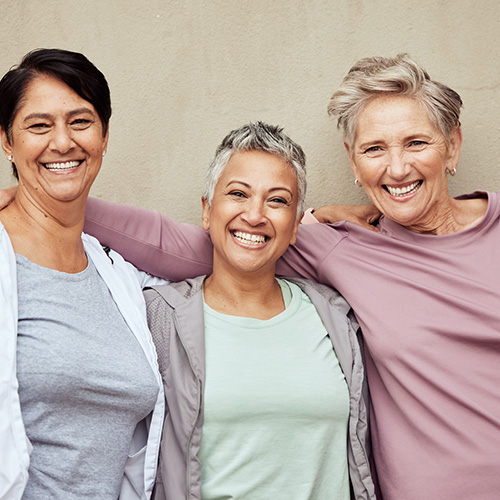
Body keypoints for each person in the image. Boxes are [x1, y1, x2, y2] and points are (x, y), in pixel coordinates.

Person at [80, 53, 500, 500]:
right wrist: (50, 203)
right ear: (354, 164)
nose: (396, 168)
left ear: (452, 145)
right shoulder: (337, 248)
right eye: (374, 149)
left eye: (416, 143)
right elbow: (186, 244)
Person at [145, 122, 375, 500]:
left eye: (278, 200)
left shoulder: (335, 316)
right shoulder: (159, 317)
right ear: (207, 211)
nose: (254, 215)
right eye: (238, 193)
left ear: (297, 224)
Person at [0, 48, 165, 500]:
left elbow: (214, 256)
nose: (62, 142)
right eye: (39, 125)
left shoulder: (119, 275)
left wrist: (312, 225)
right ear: (6, 141)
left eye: (80, 121)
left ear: (105, 135)